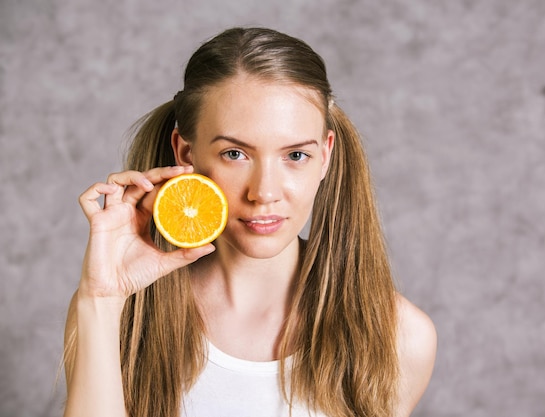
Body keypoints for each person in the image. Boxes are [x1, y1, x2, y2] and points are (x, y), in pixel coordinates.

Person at [63, 27, 437, 417]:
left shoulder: (399, 336)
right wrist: (101, 299)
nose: (264, 192)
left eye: (295, 156)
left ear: (324, 155)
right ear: (186, 152)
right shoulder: (117, 311)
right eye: (235, 154)